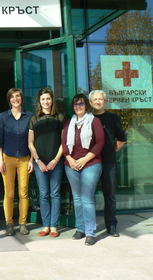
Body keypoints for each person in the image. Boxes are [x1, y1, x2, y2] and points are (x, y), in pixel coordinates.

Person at [62, 93, 105, 246]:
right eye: (75, 104)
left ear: (86, 105)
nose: (78, 107)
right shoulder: (69, 123)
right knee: (77, 198)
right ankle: (80, 228)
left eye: (81, 104)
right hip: (71, 165)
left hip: (91, 163)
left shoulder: (95, 121)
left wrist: (84, 159)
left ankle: (90, 232)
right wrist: (71, 160)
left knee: (86, 198)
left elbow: (99, 143)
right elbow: (64, 145)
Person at [28, 88, 66, 238]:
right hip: (40, 162)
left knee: (55, 194)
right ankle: (45, 225)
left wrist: (56, 160)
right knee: (43, 194)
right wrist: (38, 161)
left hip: (56, 162)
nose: (46, 102)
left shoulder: (60, 117)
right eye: (43, 99)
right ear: (39, 102)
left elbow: (64, 142)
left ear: (52, 100)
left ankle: (54, 226)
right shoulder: (34, 119)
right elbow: (30, 143)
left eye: (48, 99)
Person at [0, 88, 34, 236]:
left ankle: (23, 223)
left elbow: (32, 141)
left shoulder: (29, 116)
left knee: (23, 192)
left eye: (18, 96)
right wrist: (0, 160)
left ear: (22, 99)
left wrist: (31, 159)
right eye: (12, 97)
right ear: (9, 100)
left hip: (25, 158)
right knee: (9, 193)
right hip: (7, 158)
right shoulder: (3, 117)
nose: (15, 99)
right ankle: (9, 223)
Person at [90, 90, 126, 237]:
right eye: (95, 99)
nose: (98, 101)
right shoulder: (87, 118)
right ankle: (90, 227)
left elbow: (122, 139)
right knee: (89, 195)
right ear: (91, 103)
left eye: (101, 99)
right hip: (91, 163)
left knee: (109, 195)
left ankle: (111, 225)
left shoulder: (113, 117)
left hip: (108, 162)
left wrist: (112, 151)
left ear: (105, 101)